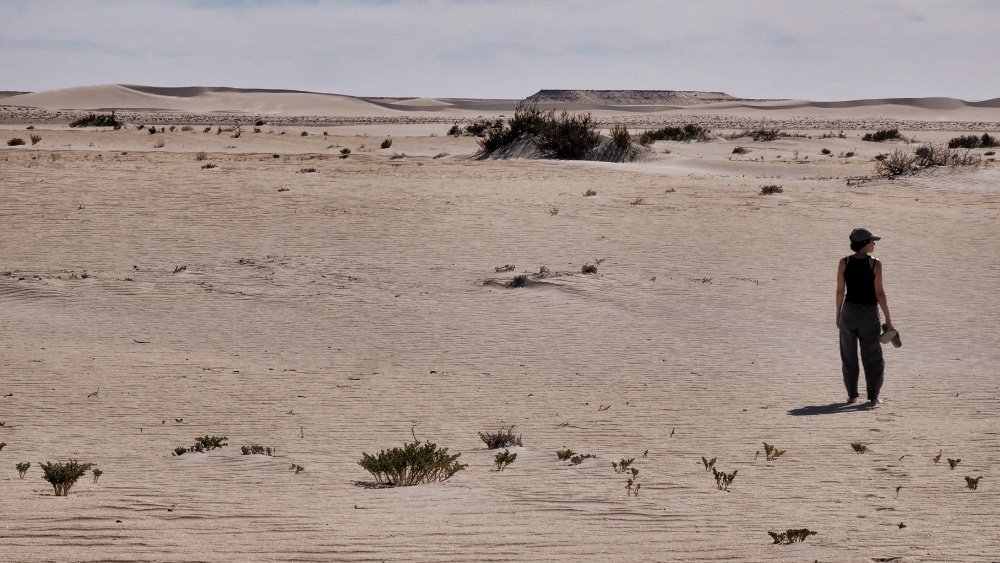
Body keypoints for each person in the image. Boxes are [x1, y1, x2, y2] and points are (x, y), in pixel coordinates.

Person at [835, 228, 892, 406]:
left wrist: (838, 313)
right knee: (872, 356)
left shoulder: (844, 262)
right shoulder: (875, 264)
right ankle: (873, 397)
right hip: (868, 314)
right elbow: (880, 293)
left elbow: (839, 291)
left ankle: (852, 396)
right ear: (865, 244)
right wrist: (888, 320)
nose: (874, 244)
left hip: (848, 312)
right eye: (872, 241)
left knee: (848, 356)